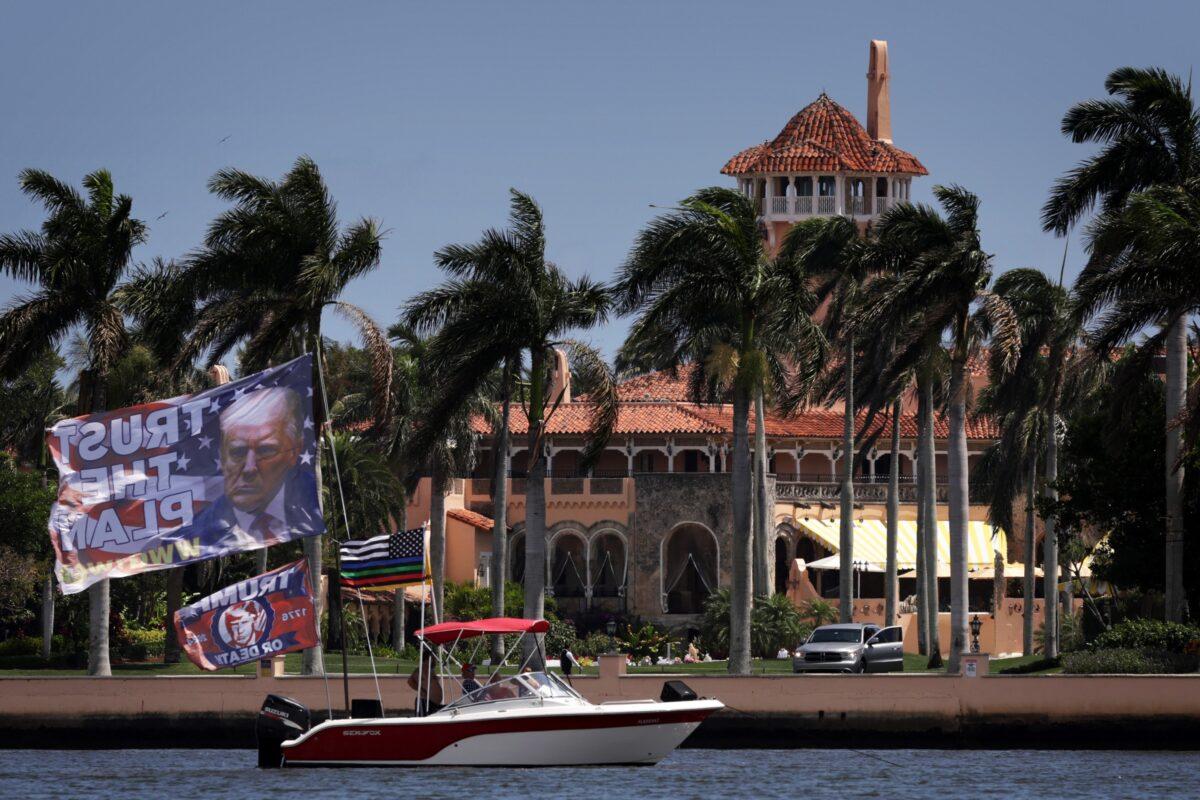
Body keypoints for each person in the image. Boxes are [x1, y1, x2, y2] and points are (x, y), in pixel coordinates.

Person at [187, 387, 322, 549]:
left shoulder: (307, 502)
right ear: (222, 457)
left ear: (294, 451)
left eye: (265, 450)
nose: (249, 468)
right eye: (238, 452)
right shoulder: (198, 532)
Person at [407, 651, 445, 716]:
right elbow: (410, 681)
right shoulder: (422, 669)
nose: (435, 660)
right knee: (423, 721)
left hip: (432, 702)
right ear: (429, 659)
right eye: (433, 658)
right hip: (425, 701)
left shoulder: (430, 669)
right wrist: (421, 690)